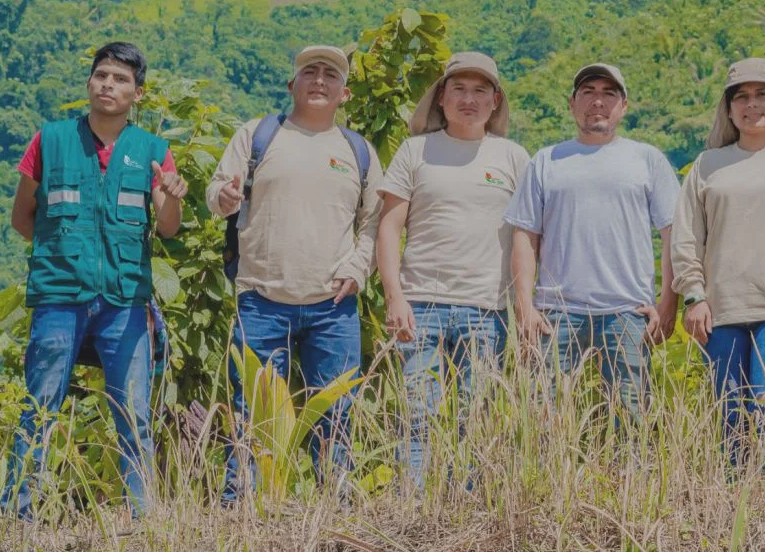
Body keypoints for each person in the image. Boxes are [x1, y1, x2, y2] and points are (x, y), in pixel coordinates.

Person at [3, 42, 187, 519]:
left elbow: (168, 226)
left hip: (125, 302)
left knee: (133, 417)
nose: (109, 84)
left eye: (121, 79)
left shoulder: (153, 151)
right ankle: (17, 519)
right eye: (101, 75)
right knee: (39, 411)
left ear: (137, 93)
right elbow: (23, 218)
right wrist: (65, 255)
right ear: (89, 83)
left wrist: (170, 194)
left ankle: (144, 521)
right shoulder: (51, 139)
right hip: (59, 299)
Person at [208, 45, 382, 502]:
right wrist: (223, 199)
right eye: (310, 72)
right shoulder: (258, 135)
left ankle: (335, 507)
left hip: (334, 306)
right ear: (292, 85)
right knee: (252, 413)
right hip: (261, 299)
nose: (319, 80)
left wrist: (357, 267)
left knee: (337, 414)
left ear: (344, 93)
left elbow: (374, 223)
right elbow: (217, 190)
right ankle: (244, 506)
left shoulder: (357, 150)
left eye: (329, 74)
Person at [375, 52, 529, 491]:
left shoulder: (513, 157)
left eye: (481, 90)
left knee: (475, 415)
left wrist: (524, 305)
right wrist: (394, 295)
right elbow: (390, 225)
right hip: (420, 303)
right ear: (441, 97)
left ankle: (469, 506)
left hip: (487, 308)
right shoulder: (414, 151)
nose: (469, 98)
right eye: (459, 88)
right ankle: (415, 505)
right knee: (418, 413)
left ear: (495, 101)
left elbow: (529, 236)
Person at [504, 63, 680, 422]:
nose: (597, 102)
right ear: (572, 103)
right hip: (555, 314)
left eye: (608, 93)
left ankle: (628, 481)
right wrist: (525, 307)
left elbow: (673, 234)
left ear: (624, 105)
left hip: (628, 312)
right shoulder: (546, 160)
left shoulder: (647, 159)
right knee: (543, 418)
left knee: (632, 421)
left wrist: (668, 304)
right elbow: (525, 237)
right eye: (588, 92)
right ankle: (545, 481)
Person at [672, 58, 765, 462]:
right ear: (728, 108)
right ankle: (731, 509)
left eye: (761, 95)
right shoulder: (708, 165)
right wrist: (693, 295)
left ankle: (763, 509)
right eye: (741, 96)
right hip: (719, 310)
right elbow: (687, 236)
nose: (751, 105)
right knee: (730, 416)